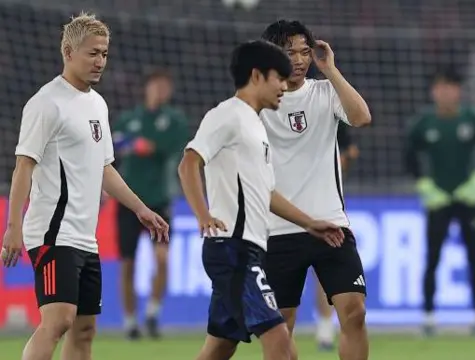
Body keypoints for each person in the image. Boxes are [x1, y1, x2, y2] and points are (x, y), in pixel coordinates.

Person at [0, 13, 169, 360]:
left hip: (84, 237)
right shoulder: (46, 103)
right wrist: (13, 227)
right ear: (68, 51)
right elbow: (23, 166)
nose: (100, 61)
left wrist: (140, 209)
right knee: (58, 319)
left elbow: (105, 168)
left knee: (85, 329)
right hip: (51, 232)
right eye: (92, 53)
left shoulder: (98, 104)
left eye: (104, 54)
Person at [177, 39, 345, 360]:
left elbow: (266, 194)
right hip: (232, 247)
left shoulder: (255, 125)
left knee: (220, 346)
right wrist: (202, 215)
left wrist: (311, 224)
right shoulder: (226, 115)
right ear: (256, 76)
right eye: (278, 78)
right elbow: (188, 163)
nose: (284, 86)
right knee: (280, 341)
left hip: (247, 248)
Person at [260, 20, 372, 360]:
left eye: (305, 52)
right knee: (282, 325)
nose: (299, 59)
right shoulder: (258, 103)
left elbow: (362, 117)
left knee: (354, 312)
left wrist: (331, 70)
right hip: (278, 229)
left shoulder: (325, 92)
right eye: (289, 52)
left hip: (331, 225)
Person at [404, 69, 475, 335]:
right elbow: (409, 156)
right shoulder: (423, 123)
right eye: (440, 88)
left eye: (450, 87)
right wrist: (425, 184)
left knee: (474, 257)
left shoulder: (474, 120)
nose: (445, 93)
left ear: (459, 91)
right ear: (433, 92)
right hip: (438, 200)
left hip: (468, 199)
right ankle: (429, 316)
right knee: (432, 257)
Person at [112, 68, 189, 340]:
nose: (160, 91)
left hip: (159, 200)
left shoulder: (175, 121)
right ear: (146, 88)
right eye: (156, 85)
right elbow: (114, 143)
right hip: (129, 201)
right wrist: (136, 144)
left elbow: (168, 147)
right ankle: (130, 321)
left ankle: (153, 313)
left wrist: (140, 145)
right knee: (128, 263)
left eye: (165, 86)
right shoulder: (129, 118)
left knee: (162, 258)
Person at [313, 121, 361, 350]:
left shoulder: (328, 109)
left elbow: (348, 152)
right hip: (283, 204)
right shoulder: (273, 107)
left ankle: (325, 329)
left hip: (324, 203)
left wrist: (323, 171)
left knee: (325, 264)